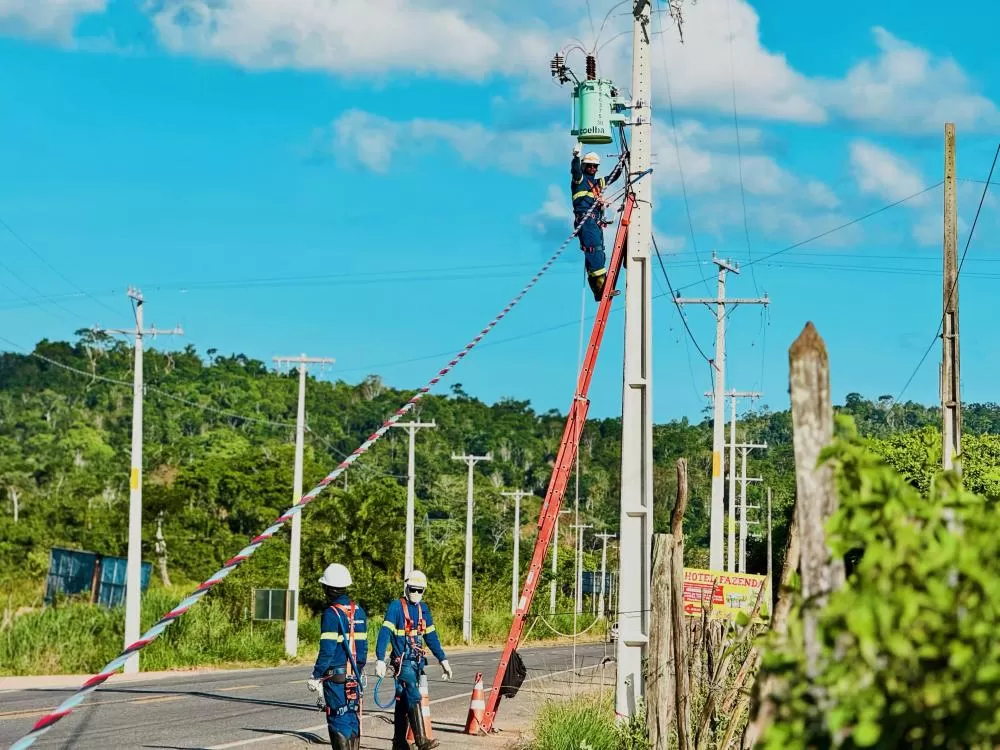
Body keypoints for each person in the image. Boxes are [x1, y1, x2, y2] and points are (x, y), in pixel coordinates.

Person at [375, 570, 453, 750]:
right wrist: (380, 658)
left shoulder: (423, 609)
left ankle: (399, 743)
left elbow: (431, 637)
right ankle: (421, 741)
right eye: (413, 589)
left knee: (403, 701)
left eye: (420, 590)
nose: (416, 593)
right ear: (406, 587)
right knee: (413, 694)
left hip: (416, 662)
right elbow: (384, 633)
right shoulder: (395, 607)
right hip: (402, 662)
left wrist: (443, 660)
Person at [307, 563, 368, 750]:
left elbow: (327, 650)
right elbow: (363, 647)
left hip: (336, 677)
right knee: (351, 717)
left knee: (337, 718)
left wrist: (316, 675)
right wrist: (358, 669)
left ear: (329, 589)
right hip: (354, 677)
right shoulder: (359, 611)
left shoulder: (331, 614)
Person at [571, 142, 625, 301]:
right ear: (584, 166)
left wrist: (621, 163)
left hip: (594, 222)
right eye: (590, 166)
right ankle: (600, 287)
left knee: (599, 250)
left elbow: (612, 177)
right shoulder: (580, 180)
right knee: (594, 249)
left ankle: (600, 288)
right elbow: (575, 171)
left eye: (595, 166)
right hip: (586, 221)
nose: (593, 169)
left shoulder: (596, 183)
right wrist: (575, 157)